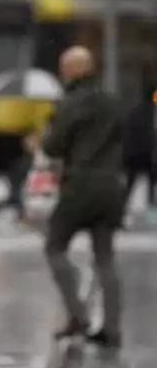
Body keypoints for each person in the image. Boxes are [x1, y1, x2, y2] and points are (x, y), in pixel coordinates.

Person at [42, 46, 125, 347]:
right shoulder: (114, 103)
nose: (62, 73)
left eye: (65, 68)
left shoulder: (71, 104)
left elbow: (53, 146)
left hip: (80, 185)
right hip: (112, 187)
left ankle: (78, 315)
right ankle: (112, 328)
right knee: (105, 256)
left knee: (54, 246)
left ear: (75, 70)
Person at [122, 84, 155, 210]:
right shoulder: (149, 111)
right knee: (148, 183)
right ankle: (150, 205)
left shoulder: (135, 111)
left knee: (131, 183)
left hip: (134, 154)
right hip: (144, 154)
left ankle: (123, 207)